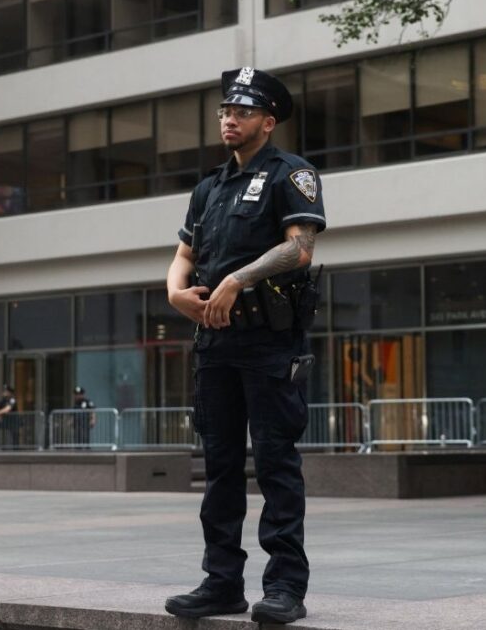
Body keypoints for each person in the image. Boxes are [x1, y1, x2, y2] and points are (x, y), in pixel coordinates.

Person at [163, 67, 326, 625]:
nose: (229, 119)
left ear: (267, 121)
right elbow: (185, 253)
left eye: (243, 111)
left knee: (277, 464)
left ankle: (285, 587)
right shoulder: (209, 186)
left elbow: (299, 248)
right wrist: (174, 291)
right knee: (221, 465)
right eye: (225, 111)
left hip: (270, 342)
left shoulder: (291, 174)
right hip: (215, 343)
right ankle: (221, 583)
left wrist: (237, 280)